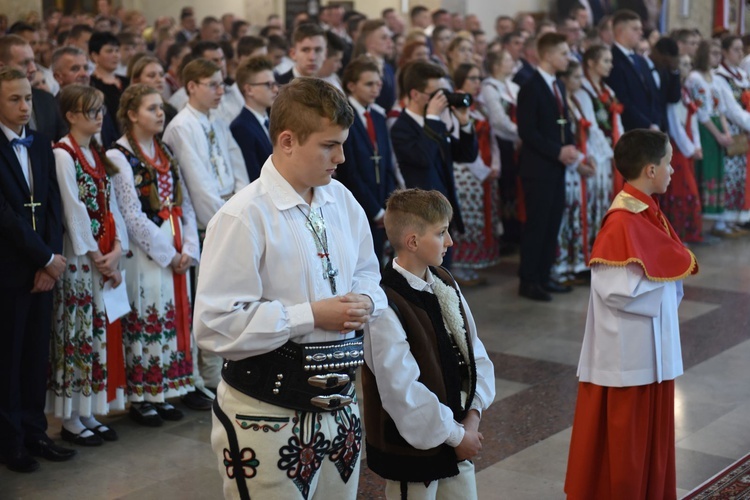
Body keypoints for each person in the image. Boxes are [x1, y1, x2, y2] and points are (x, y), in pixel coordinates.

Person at [194, 77, 386, 499]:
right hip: (266, 413)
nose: (341, 156)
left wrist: (367, 299)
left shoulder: (342, 200)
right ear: (287, 140)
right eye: (328, 145)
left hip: (342, 405)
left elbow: (369, 272)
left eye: (342, 143)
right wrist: (311, 314)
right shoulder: (244, 216)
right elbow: (214, 325)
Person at [565, 129, 699, 499]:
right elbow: (615, 292)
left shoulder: (648, 212)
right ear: (651, 170)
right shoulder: (621, 221)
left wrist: (668, 279)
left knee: (651, 446)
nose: (674, 170)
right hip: (628, 358)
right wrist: (666, 283)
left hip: (650, 353)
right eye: (669, 163)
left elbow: (662, 269)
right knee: (627, 450)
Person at [362, 188, 495, 499]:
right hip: (415, 451)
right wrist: (455, 434)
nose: (450, 242)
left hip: (457, 436)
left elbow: (473, 352)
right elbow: (402, 391)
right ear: (413, 241)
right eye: (441, 233)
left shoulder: (444, 282)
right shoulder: (386, 303)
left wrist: (472, 416)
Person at [108, 84, 201, 426]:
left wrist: (189, 248)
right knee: (148, 316)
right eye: (151, 108)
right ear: (132, 115)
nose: (160, 113)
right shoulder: (119, 156)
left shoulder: (165, 152)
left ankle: (164, 390)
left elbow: (185, 202)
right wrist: (168, 253)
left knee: (174, 317)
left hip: (175, 246)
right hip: (146, 254)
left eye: (161, 107)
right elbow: (131, 214)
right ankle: (143, 396)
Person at [0, 67, 75, 473]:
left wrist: (51, 262)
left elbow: (52, 205)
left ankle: (35, 431)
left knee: (34, 358)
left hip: (43, 272)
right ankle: (9, 442)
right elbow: (5, 216)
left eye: (28, 97)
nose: (25, 106)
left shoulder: (42, 143)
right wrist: (43, 259)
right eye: (14, 99)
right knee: (8, 360)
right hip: (10, 272)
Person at [163, 58, 248, 408]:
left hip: (231, 209)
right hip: (208, 221)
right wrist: (228, 217)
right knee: (206, 298)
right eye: (212, 84)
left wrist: (244, 200)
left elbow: (236, 161)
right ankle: (204, 375)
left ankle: (219, 368)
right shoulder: (182, 127)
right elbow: (197, 182)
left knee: (229, 295)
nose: (220, 90)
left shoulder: (216, 118)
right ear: (191, 87)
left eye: (222, 84)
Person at [48, 85, 128, 446]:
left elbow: (112, 208)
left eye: (100, 111)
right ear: (71, 116)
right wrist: (98, 256)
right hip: (81, 260)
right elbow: (73, 209)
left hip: (100, 258)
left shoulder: (97, 153)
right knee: (77, 334)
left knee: (96, 334)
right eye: (91, 111)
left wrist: (118, 249)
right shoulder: (63, 154)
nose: (99, 117)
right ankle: (70, 418)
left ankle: (89, 409)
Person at [391, 61, 478, 268]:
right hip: (421, 220)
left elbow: (466, 154)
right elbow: (423, 158)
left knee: (444, 274)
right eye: (435, 94)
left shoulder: (435, 123)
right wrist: (432, 118)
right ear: (415, 94)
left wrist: (464, 123)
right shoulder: (401, 128)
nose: (441, 99)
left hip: (443, 213)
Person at [517, 32, 579, 302]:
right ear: (548, 55)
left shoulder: (558, 85)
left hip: (556, 165)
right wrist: (558, 150)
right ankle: (529, 280)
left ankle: (544, 275)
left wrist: (570, 145)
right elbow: (527, 131)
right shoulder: (530, 86)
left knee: (553, 221)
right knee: (538, 225)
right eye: (564, 53)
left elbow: (562, 121)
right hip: (538, 167)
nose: (569, 57)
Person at [552, 60, 612, 285]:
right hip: (570, 165)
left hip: (583, 161)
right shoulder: (560, 103)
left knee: (582, 213)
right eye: (576, 77)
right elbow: (564, 136)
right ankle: (563, 264)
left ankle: (579, 261)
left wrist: (597, 157)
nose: (580, 81)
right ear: (565, 78)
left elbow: (591, 130)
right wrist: (578, 161)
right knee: (570, 213)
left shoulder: (577, 100)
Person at [337, 56, 397, 264]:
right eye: (369, 84)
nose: (376, 89)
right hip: (360, 204)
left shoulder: (378, 117)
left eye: (378, 84)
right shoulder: (344, 119)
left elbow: (387, 162)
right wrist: (376, 210)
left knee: (380, 261)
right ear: (351, 86)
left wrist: (389, 206)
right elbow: (350, 172)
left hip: (381, 202)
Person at [451, 63, 502, 285]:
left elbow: (492, 139)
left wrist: (496, 165)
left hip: (484, 171)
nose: (477, 83)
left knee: (480, 219)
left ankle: (472, 265)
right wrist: (482, 170)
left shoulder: (479, 106)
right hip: (466, 172)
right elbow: (461, 145)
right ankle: (460, 267)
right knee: (467, 220)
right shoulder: (455, 107)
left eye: (479, 78)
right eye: (472, 78)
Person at [686, 40, 733, 235]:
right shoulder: (695, 78)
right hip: (705, 129)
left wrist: (726, 132)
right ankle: (701, 224)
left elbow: (720, 108)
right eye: (713, 53)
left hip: (717, 128)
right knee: (705, 171)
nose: (717, 57)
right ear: (704, 54)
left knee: (717, 172)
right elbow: (702, 112)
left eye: (718, 53)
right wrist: (717, 134)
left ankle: (714, 223)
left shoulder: (714, 77)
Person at [659, 53, 704, 243]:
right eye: (684, 64)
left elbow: (692, 121)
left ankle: (685, 233)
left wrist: (697, 146)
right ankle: (676, 233)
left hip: (687, 145)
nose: (688, 67)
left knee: (689, 187)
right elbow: (674, 124)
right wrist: (689, 148)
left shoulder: (685, 92)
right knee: (681, 188)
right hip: (677, 147)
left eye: (689, 64)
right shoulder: (675, 92)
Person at [481, 49, 521, 248]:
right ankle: (505, 233)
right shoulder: (489, 88)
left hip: (516, 141)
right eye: (506, 58)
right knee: (506, 188)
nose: (511, 60)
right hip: (503, 141)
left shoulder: (512, 86)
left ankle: (515, 229)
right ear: (496, 66)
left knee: (514, 187)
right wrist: (519, 131)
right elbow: (498, 119)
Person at [0, 35, 67, 142]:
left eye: (33, 61)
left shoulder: (47, 99)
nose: (33, 69)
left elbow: (63, 138)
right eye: (25, 63)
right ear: (2, 67)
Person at [714, 35, 750, 229]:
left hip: (744, 130)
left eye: (741, 49)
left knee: (740, 175)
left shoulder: (741, 77)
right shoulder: (720, 78)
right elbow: (731, 109)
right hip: (731, 129)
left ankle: (735, 218)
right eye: (736, 49)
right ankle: (723, 219)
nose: (740, 53)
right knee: (728, 174)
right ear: (725, 52)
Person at [605, 10, 660, 132]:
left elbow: (654, 94)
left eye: (640, 28)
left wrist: (656, 122)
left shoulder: (641, 60)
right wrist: (646, 125)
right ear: (620, 31)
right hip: (631, 131)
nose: (641, 33)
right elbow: (622, 99)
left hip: (651, 128)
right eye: (635, 29)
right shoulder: (612, 60)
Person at [230, 56, 277, 182]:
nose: (275, 89)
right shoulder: (241, 127)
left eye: (274, 84)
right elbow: (254, 175)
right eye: (268, 85)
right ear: (249, 90)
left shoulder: (271, 120)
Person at [129, 56, 178, 129]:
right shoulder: (131, 109)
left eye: (161, 75)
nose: (159, 80)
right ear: (137, 81)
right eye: (151, 76)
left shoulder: (170, 109)